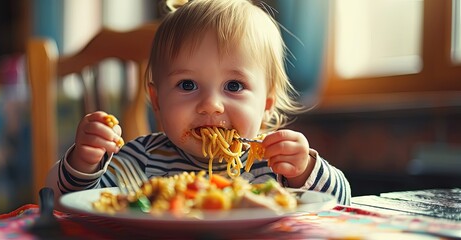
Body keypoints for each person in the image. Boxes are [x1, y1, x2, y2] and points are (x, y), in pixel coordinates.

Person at [46, 0, 351, 207]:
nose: (211, 105)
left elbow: (341, 203)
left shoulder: (275, 166)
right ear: (157, 100)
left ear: (267, 102)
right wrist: (84, 162)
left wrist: (305, 169)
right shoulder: (141, 160)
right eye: (187, 85)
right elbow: (67, 202)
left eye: (234, 86)